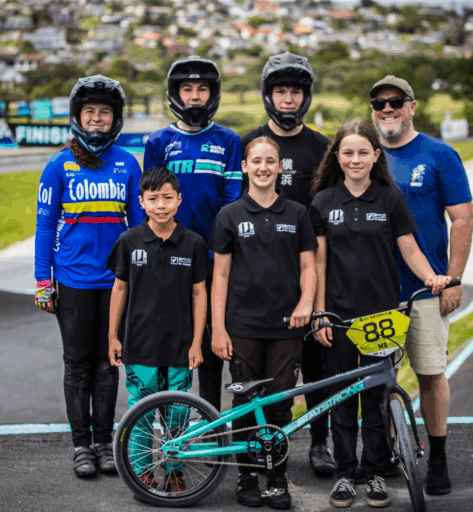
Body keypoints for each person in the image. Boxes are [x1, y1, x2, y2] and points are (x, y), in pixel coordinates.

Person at [309, 119, 451, 508]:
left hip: (381, 317)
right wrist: (320, 313)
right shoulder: (323, 202)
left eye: (362, 152)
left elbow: (410, 248)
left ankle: (373, 472)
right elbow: (318, 263)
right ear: (337, 157)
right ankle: (344, 474)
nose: (355, 159)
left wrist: (433, 277)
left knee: (374, 399)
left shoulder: (390, 198)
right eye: (348, 152)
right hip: (337, 317)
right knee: (340, 398)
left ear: (376, 156)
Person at [34, 75, 144, 478]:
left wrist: (142, 277)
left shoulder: (128, 164)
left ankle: (104, 443)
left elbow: (138, 226)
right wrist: (42, 281)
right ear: (77, 116)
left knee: (107, 364)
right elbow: (45, 227)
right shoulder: (57, 165)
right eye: (90, 112)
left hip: (116, 283)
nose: (97, 119)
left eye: (105, 112)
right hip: (73, 282)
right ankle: (81, 447)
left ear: (115, 119)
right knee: (77, 366)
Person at [369, 76, 473, 496]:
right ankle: (387, 456)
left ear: (412, 106)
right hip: (375, 291)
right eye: (379, 103)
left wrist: (453, 278)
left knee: (431, 374)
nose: (387, 109)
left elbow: (461, 219)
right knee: (378, 380)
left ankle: (439, 458)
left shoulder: (439, 155)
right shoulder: (365, 156)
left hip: (425, 288)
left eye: (396, 102)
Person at [209, 137, 317, 510]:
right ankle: (247, 477)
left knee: (280, 405)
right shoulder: (229, 214)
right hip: (242, 325)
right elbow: (219, 276)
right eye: (256, 161)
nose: (263, 167)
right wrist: (218, 328)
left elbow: (309, 266)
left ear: (280, 167)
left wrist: (305, 303)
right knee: (245, 401)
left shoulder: (298, 213)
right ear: (245, 167)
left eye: (271, 161)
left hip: (287, 326)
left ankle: (277, 477)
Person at [240, 52, 335, 476]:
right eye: (281, 90)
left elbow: (326, 220)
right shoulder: (251, 143)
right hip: (258, 277)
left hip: (306, 271)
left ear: (306, 96)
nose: (289, 98)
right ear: (268, 95)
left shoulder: (321, 147)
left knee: (315, 364)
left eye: (296, 91)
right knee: (258, 377)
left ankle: (319, 443)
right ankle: (250, 452)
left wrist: (317, 295)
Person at [144, 56, 243, 414]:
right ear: (175, 94)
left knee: (215, 344)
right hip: (172, 257)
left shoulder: (229, 140)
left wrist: (219, 248)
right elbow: (154, 201)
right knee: (177, 346)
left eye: (202, 89)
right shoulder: (159, 141)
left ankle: (214, 425)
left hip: (217, 258)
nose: (195, 96)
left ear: (213, 94)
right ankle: (176, 425)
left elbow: (232, 199)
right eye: (187, 89)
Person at [106, 166, 209, 494]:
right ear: (142, 202)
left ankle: (176, 470)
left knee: (178, 412)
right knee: (141, 412)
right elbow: (119, 289)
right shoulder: (129, 241)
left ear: (179, 200)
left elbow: (199, 293)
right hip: (140, 345)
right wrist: (112, 335)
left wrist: (196, 341)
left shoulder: (192, 243)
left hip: (180, 345)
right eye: (153, 199)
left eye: (167, 198)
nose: (161, 205)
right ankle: (142, 471)